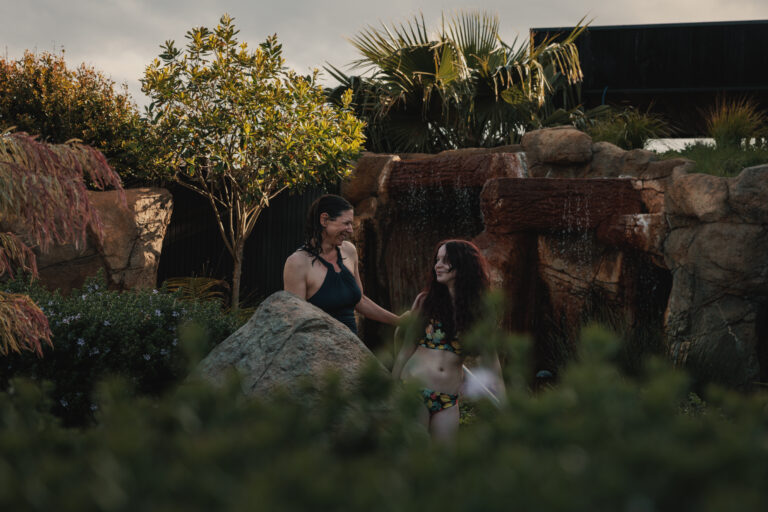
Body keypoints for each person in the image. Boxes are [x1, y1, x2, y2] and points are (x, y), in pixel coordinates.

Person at [392, 239, 505, 441]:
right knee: (416, 452)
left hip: (448, 400)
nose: (438, 265)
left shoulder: (480, 312)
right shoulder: (425, 301)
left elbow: (491, 361)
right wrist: (391, 385)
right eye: (437, 260)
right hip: (415, 389)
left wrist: (505, 404)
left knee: (444, 457)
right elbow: (407, 348)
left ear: (462, 265)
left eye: (445, 260)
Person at [283, 194, 400, 335]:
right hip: (319, 347)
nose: (351, 230)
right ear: (324, 220)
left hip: (352, 345)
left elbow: (360, 301)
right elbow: (296, 322)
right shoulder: (297, 263)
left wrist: (399, 322)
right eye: (346, 223)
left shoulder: (349, 251)